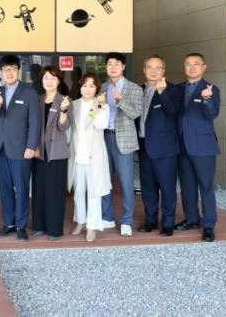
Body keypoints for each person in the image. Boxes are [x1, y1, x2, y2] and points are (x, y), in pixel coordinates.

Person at [0, 54, 40, 242]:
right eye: (5, 69)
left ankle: (20, 225)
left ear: (19, 70)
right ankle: (8, 223)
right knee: (5, 188)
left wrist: (31, 146)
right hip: (0, 148)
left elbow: (34, 122)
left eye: (13, 69)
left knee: (22, 188)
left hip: (21, 149)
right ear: (1, 72)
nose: (9, 73)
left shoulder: (29, 92)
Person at [176, 53, 221, 242]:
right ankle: (192, 219)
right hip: (181, 145)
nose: (192, 67)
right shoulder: (178, 89)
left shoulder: (211, 89)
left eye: (196, 64)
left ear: (204, 67)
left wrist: (207, 100)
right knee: (187, 186)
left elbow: (212, 114)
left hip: (203, 147)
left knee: (206, 186)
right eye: (188, 64)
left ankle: (209, 224)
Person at [100, 52, 143, 237]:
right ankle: (107, 217)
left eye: (116, 64)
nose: (113, 67)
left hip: (124, 140)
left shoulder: (134, 88)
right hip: (104, 138)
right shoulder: (103, 87)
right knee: (104, 181)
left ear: (123, 67)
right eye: (110, 64)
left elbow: (135, 113)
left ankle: (126, 221)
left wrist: (120, 100)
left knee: (126, 183)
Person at [137, 55, 181, 237]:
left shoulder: (172, 89)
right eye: (150, 67)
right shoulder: (139, 90)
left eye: (158, 68)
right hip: (144, 146)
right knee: (148, 187)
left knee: (167, 188)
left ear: (163, 71)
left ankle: (168, 223)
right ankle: (150, 220)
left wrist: (162, 93)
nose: (154, 71)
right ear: (144, 70)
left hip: (165, 148)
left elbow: (173, 111)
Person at [67, 73, 111, 243]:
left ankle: (92, 226)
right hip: (77, 155)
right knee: (78, 192)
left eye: (91, 86)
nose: (87, 89)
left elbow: (101, 125)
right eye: (84, 85)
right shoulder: (73, 104)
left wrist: (100, 106)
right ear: (80, 87)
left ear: (97, 88)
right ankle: (80, 220)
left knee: (94, 192)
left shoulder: (102, 105)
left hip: (94, 156)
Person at [32, 66, 71, 240]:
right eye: (46, 78)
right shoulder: (37, 99)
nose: (49, 81)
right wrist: (33, 146)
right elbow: (32, 125)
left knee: (55, 191)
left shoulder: (65, 100)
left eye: (53, 78)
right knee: (39, 189)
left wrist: (63, 111)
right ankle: (39, 225)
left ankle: (55, 229)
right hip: (39, 151)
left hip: (57, 152)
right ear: (41, 80)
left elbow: (64, 126)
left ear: (59, 81)